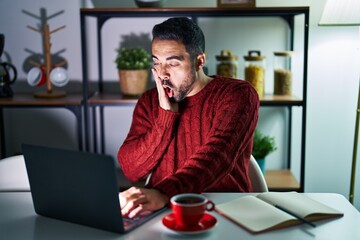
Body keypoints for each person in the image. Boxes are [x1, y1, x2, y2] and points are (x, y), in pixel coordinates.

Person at [118, 17, 259, 218]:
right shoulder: (150, 101)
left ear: (199, 61)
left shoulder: (237, 94)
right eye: (156, 62)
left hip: (225, 210)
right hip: (162, 211)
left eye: (173, 63)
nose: (162, 74)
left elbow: (216, 157)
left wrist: (163, 192)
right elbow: (131, 170)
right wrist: (165, 117)